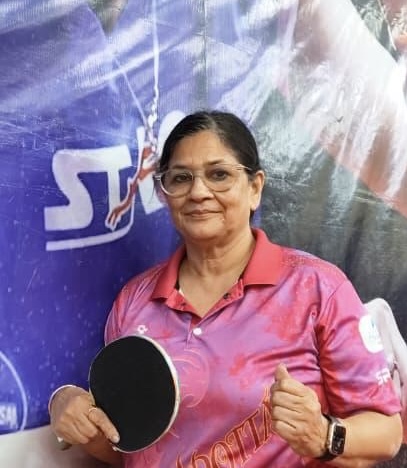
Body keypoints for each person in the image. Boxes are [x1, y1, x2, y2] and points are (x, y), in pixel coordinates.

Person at [48, 110, 402, 467]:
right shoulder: (134, 302)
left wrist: (324, 435)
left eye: (219, 175)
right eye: (181, 178)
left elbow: (387, 432)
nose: (198, 192)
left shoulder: (316, 289)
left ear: (255, 188)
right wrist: (71, 411)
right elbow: (124, 446)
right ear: (164, 194)